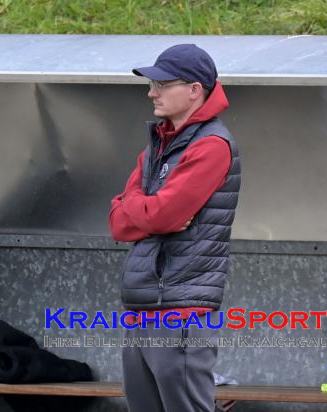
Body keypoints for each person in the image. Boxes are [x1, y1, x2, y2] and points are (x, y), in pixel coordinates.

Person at [109, 44, 241, 412]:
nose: (152, 92)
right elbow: (117, 224)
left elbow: (161, 216)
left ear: (195, 90)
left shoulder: (212, 145)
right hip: (142, 305)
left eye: (162, 84)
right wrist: (144, 211)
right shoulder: (157, 146)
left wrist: (137, 208)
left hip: (181, 308)